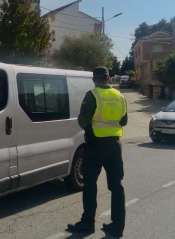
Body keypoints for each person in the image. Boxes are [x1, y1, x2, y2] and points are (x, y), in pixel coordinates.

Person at [67, 66, 128, 237]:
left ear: (94, 80)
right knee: (116, 186)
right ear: (108, 79)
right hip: (115, 146)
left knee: (90, 185)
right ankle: (117, 226)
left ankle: (87, 223)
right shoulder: (120, 96)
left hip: (95, 145)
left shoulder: (92, 95)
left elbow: (82, 121)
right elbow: (124, 121)